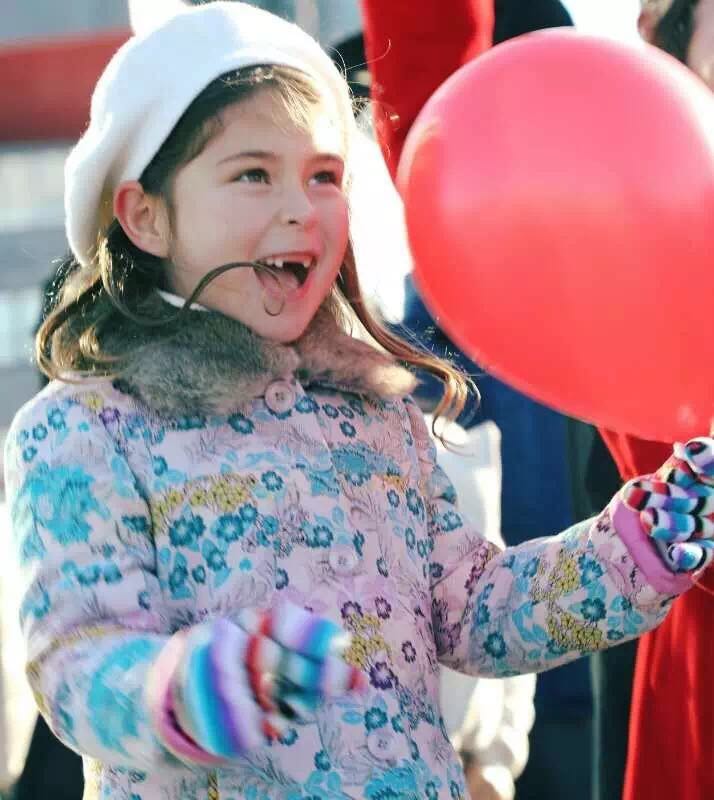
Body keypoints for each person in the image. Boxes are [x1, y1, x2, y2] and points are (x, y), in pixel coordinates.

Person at [3, 3, 713, 799]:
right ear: (144, 215)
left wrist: (633, 546)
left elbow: (473, 610)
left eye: (324, 176)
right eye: (252, 173)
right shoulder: (82, 430)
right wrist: (192, 687)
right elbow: (73, 665)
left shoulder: (375, 417)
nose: (300, 208)